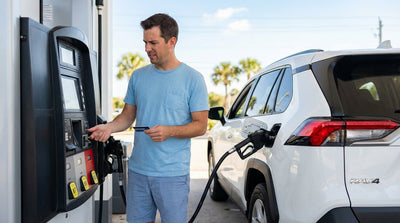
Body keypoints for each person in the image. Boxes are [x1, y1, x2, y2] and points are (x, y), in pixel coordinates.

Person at [87, 13, 209, 223]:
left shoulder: (193, 79)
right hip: (138, 171)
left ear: (172, 42)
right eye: (145, 42)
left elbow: (201, 126)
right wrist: (108, 128)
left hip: (172, 174)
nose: (146, 49)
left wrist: (169, 131)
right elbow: (127, 116)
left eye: (153, 42)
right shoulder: (138, 76)